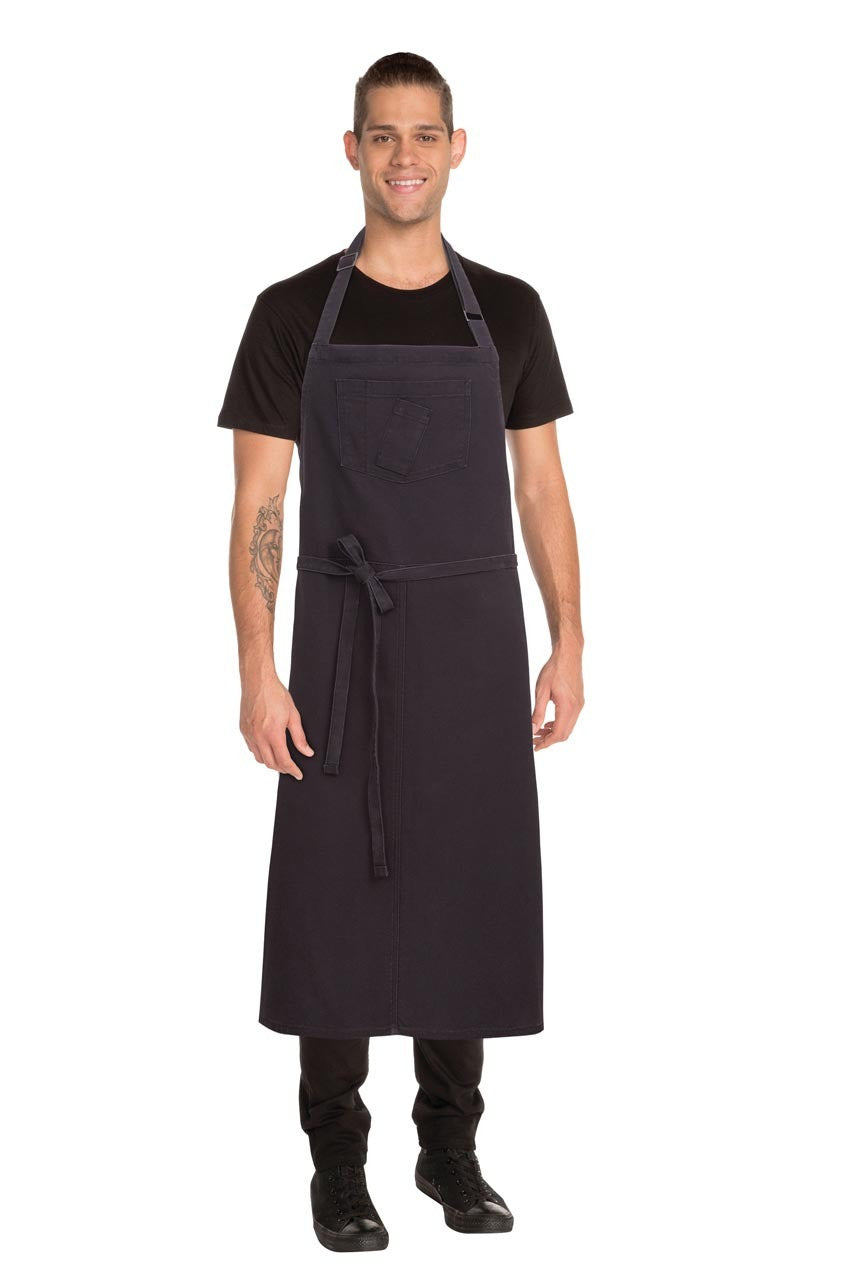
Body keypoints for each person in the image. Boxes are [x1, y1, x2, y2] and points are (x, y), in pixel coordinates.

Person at [217, 51, 585, 1253]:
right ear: (352, 150)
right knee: (332, 903)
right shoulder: (290, 313)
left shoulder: (510, 311)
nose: (405, 156)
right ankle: (337, 1163)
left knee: (465, 888)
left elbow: (541, 487)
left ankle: (449, 1148)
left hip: (474, 642)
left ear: (456, 148)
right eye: (383, 135)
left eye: (425, 134)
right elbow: (259, 504)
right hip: (338, 638)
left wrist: (568, 639)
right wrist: (257, 669)